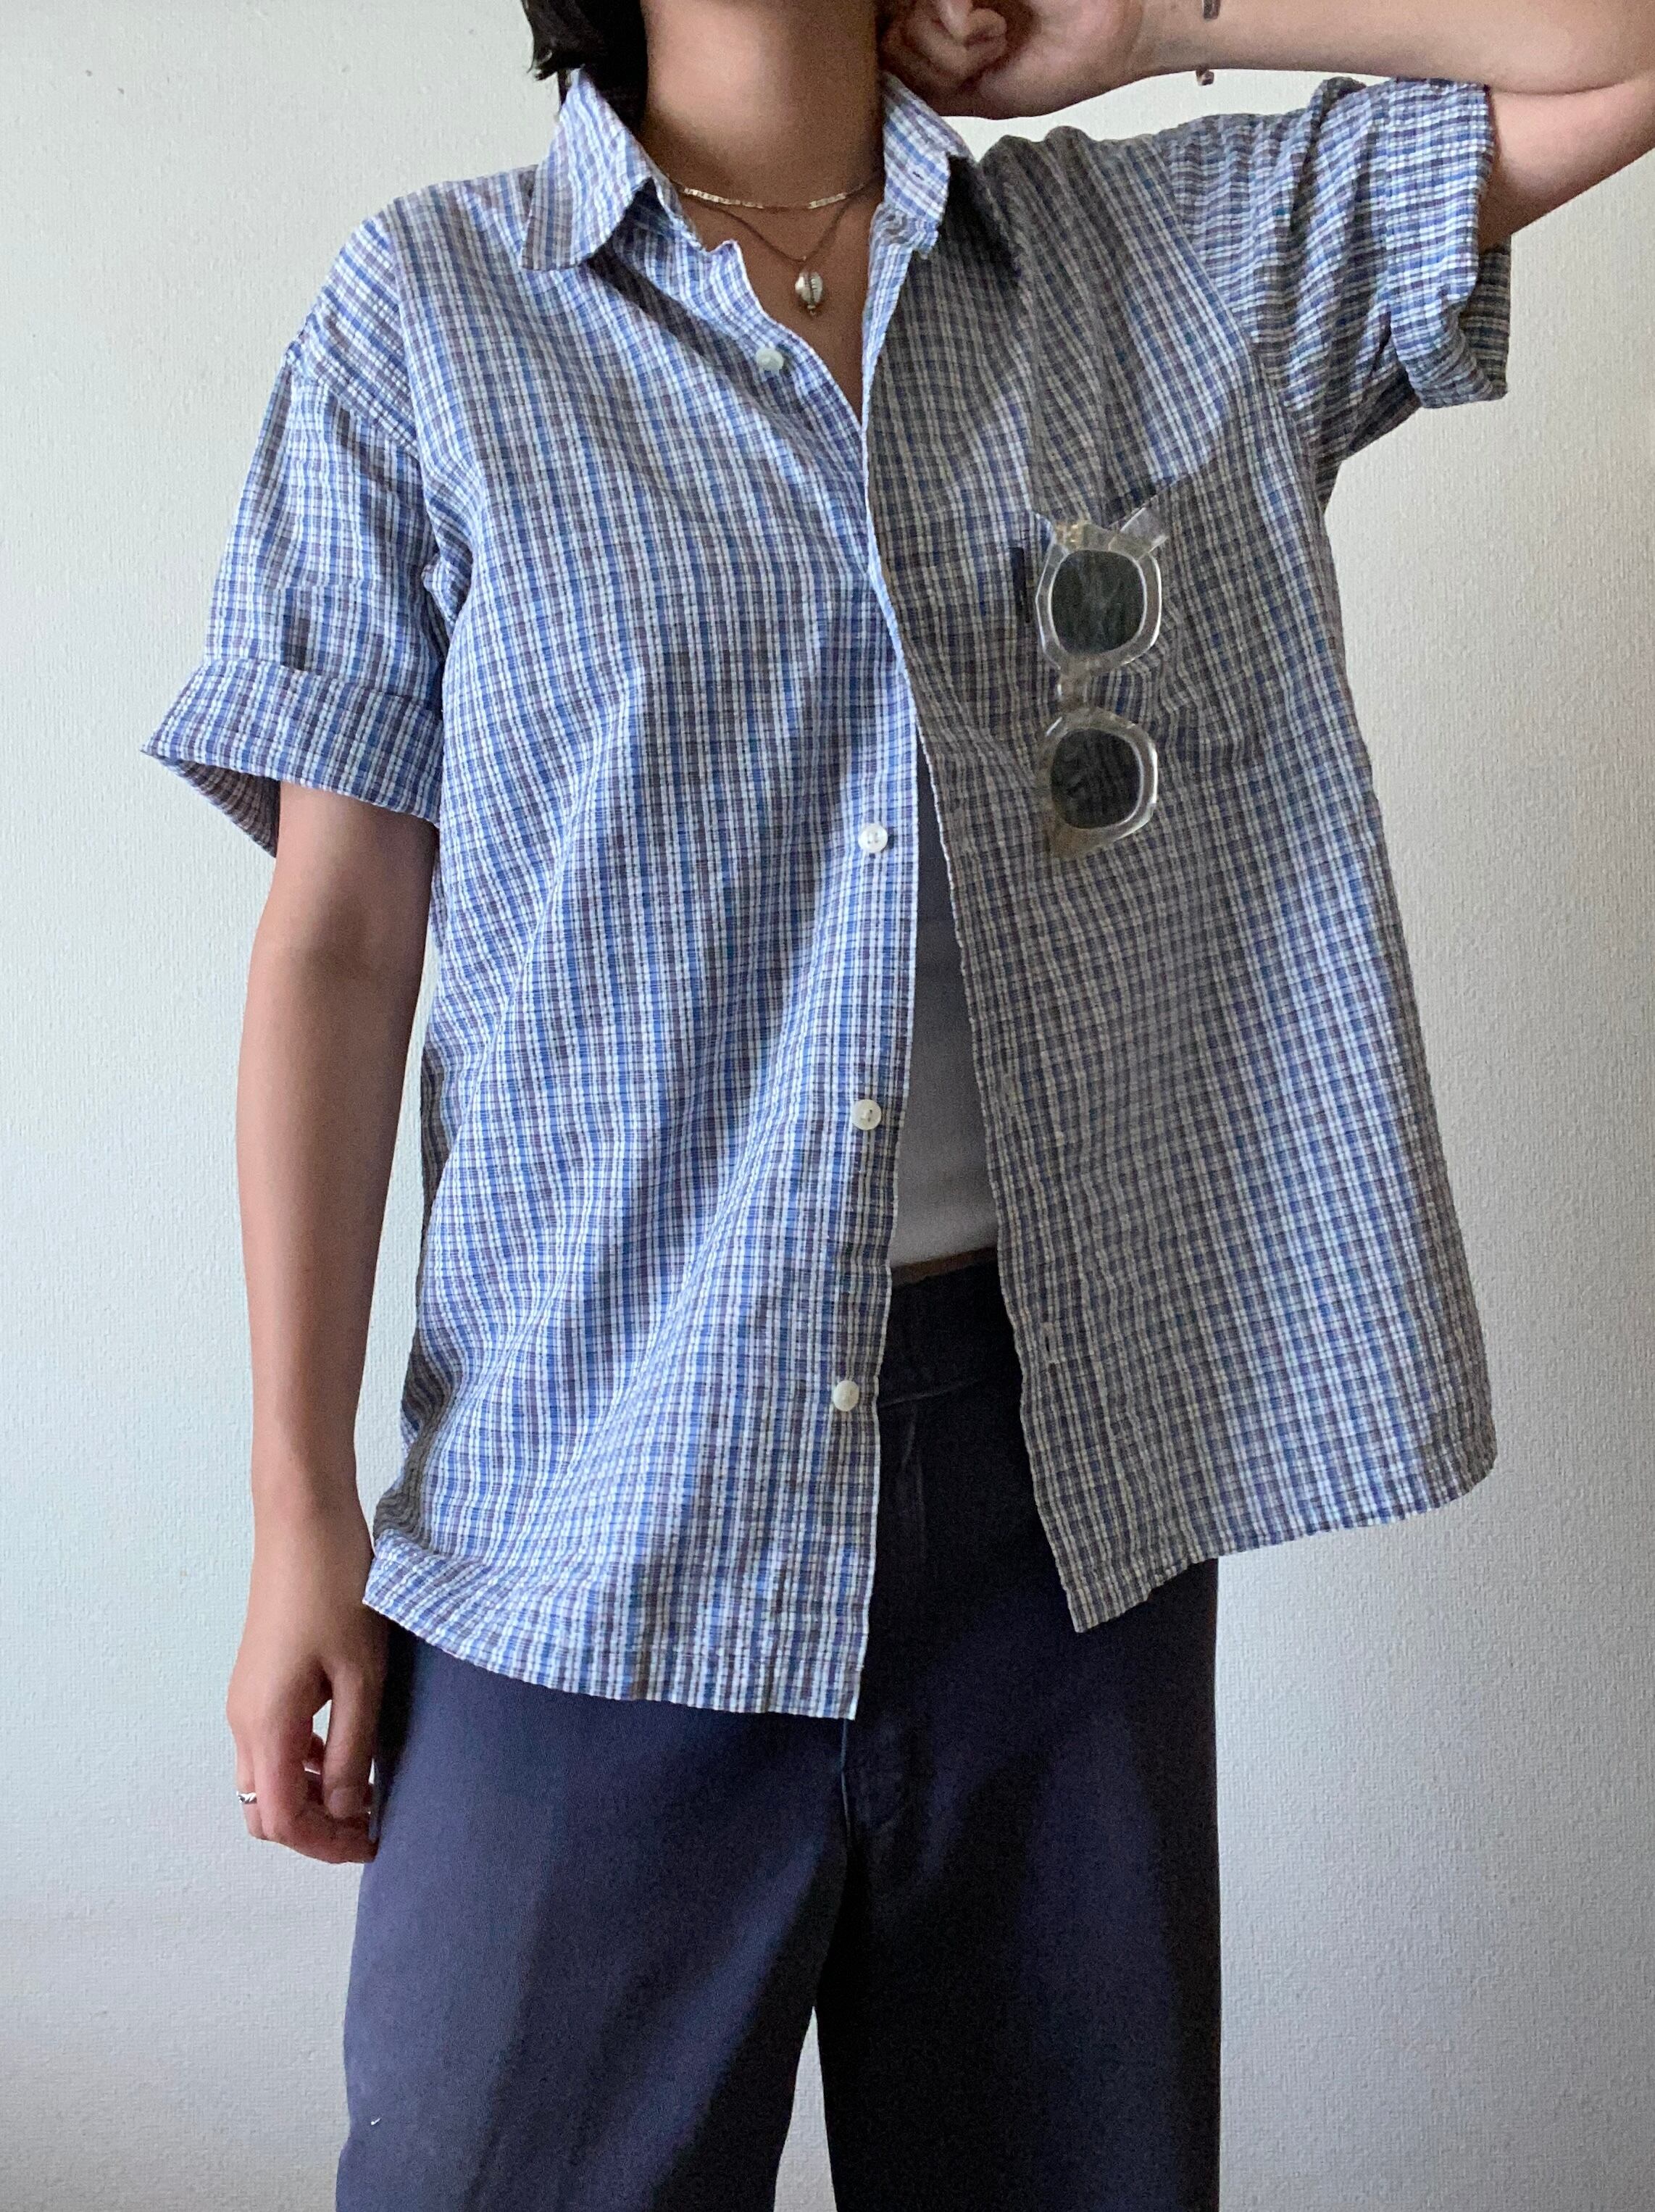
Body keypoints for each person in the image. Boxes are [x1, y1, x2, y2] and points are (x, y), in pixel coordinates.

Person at [141, 1, 1655, 2205]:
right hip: (600, 1496)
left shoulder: (1148, 259)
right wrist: (299, 1505)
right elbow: (340, 939)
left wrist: (1144, 22)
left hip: (1065, 1511)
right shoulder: (436, 313)